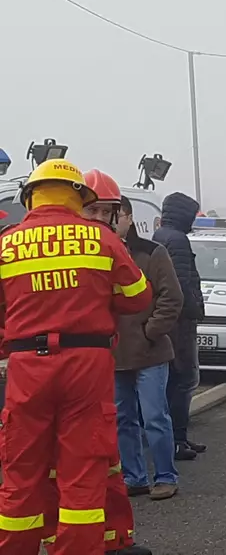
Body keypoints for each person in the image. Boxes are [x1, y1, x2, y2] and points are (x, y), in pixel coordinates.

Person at [0, 159, 152, 555]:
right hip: (87, 364)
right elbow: (138, 297)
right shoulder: (101, 239)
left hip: (27, 367)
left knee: (21, 473)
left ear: (30, 196)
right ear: (78, 197)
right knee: (83, 472)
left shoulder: (7, 242)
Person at [98, 191, 183, 500]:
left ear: (129, 218)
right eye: (101, 214)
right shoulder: (96, 253)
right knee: (122, 419)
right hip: (114, 352)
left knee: (155, 417)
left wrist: (150, 332)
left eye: (114, 215)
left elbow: (172, 298)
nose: (108, 221)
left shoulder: (152, 253)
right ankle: (134, 477)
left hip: (150, 352)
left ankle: (165, 476)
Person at [152, 192, 206, 461]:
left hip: (167, 322)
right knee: (185, 380)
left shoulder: (160, 236)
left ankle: (174, 438)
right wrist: (196, 309)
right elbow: (182, 283)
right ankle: (178, 439)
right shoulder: (178, 240)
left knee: (170, 382)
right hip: (181, 324)